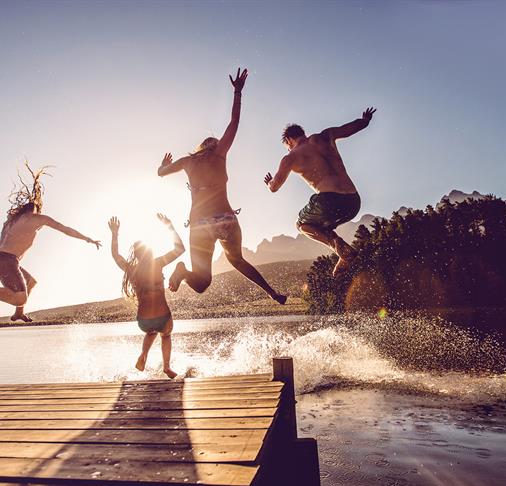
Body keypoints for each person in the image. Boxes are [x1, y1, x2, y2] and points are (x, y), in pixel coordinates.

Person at [157, 67, 286, 304]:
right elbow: (234, 123)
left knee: (202, 283)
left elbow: (161, 173)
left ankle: (183, 271)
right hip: (224, 219)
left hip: (199, 224)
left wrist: (162, 167)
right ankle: (271, 292)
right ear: (215, 145)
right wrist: (237, 92)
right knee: (236, 260)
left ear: (199, 148)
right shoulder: (219, 154)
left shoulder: (187, 162)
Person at [264, 107, 376, 276]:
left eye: (287, 146)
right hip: (353, 202)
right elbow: (353, 127)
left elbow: (275, 187)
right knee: (321, 226)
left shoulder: (290, 157)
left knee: (302, 224)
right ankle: (343, 253)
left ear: (289, 140)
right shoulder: (325, 136)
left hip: (329, 202)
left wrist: (269, 183)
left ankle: (340, 248)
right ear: (303, 133)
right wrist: (365, 120)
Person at [0, 165, 101, 322]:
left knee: (31, 282)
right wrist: (87, 238)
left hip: (8, 260)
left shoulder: (11, 222)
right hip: (7, 260)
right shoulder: (37, 218)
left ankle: (18, 313)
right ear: (35, 210)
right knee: (20, 298)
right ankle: (19, 307)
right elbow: (65, 229)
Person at [108, 214, 183, 379]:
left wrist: (114, 233)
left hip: (143, 320)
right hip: (163, 316)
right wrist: (169, 226)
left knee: (150, 332)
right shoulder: (158, 262)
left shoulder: (131, 270)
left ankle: (143, 355)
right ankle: (167, 367)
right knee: (166, 335)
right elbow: (180, 249)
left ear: (135, 254)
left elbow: (115, 255)